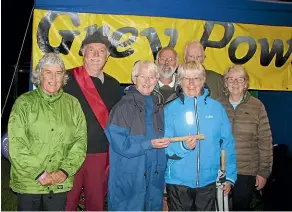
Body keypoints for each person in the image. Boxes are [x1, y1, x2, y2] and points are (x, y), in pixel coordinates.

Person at [8, 53, 87, 211]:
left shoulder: (73, 104)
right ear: (39, 75)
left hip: (59, 182)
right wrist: (40, 174)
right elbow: (16, 144)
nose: (54, 78)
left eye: (58, 73)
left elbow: (80, 141)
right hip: (29, 182)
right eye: (48, 72)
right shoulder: (24, 103)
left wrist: (64, 171)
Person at [164, 61, 237, 211]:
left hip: (208, 181)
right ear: (180, 81)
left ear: (203, 80)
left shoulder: (216, 108)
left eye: (196, 78)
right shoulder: (170, 109)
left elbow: (227, 143)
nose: (191, 83)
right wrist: (182, 147)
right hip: (178, 181)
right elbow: (164, 145)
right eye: (186, 78)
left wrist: (229, 175)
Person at [64, 31, 121, 211]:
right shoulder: (65, 79)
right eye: (91, 50)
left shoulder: (114, 85)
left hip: (99, 154)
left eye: (101, 50)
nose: (96, 54)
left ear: (108, 55)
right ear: (82, 52)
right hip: (69, 152)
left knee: (96, 203)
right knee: (67, 202)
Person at [105, 60, 171, 211]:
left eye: (152, 77)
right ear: (134, 79)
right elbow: (120, 144)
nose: (148, 81)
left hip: (154, 177)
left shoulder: (158, 108)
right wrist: (149, 144)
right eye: (143, 76)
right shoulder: (122, 107)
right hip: (130, 177)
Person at [218, 65, 273, 211]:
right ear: (225, 82)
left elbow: (265, 141)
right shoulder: (217, 105)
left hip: (246, 171)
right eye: (231, 79)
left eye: (239, 79)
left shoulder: (257, 106)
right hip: (219, 170)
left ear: (246, 83)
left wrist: (263, 172)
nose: (235, 83)